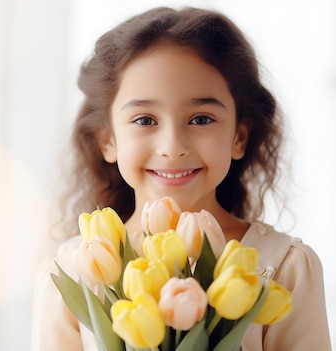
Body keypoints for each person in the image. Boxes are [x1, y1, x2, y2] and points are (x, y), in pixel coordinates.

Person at [31, 6, 331, 351]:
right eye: (145, 120)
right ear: (107, 140)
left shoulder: (284, 266)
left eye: (201, 119)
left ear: (239, 138)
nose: (172, 148)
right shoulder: (70, 274)